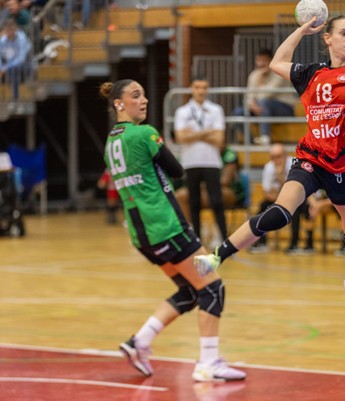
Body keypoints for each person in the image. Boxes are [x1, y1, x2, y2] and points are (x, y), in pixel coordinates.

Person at [194, 14, 345, 319]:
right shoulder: (310, 74)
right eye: (344, 33)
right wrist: (302, 29)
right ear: (327, 38)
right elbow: (277, 62)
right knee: (279, 213)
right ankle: (216, 257)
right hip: (311, 159)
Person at [99, 79, 245, 382]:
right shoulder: (144, 133)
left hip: (142, 235)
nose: (144, 100)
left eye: (144, 94)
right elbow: (177, 170)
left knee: (190, 291)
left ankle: (138, 342)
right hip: (166, 226)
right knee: (212, 288)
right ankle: (208, 363)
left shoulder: (110, 144)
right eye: (136, 96)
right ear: (119, 104)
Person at [174, 76, 228, 246]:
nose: (201, 91)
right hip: (191, 162)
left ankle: (223, 237)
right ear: (192, 88)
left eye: (204, 87)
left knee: (216, 201)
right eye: (197, 87)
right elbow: (180, 137)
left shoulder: (216, 110)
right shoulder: (182, 111)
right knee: (194, 202)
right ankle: (196, 239)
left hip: (212, 162)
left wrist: (192, 134)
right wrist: (207, 132)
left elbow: (219, 139)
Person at [231, 48, 296, 145]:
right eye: (258, 60)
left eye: (264, 60)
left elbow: (267, 94)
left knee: (264, 102)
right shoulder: (254, 75)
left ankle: (265, 137)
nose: (261, 63)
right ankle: (251, 141)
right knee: (237, 112)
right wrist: (251, 105)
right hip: (260, 108)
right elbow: (249, 95)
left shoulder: (279, 73)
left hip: (284, 108)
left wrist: (256, 99)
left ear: (271, 61)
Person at [247, 143, 293, 253]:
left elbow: (292, 191)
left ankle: (294, 244)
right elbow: (266, 193)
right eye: (273, 157)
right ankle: (261, 242)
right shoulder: (269, 167)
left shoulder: (293, 164)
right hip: (276, 200)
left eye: (279, 156)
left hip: (293, 200)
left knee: (298, 207)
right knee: (263, 206)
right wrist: (279, 195)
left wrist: (280, 176)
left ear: (285, 155)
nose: (276, 160)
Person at [0, 18, 32, 101]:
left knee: (14, 70)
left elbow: (21, 58)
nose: (9, 31)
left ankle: (15, 99)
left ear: (15, 29)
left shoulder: (22, 39)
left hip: (24, 67)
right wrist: (1, 68)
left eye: (11, 29)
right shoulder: (2, 41)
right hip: (6, 67)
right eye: (7, 29)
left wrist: (6, 68)